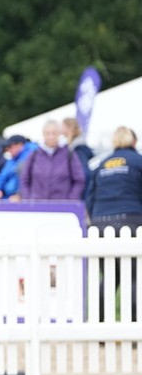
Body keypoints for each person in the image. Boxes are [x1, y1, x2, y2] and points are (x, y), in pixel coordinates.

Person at [84, 126, 142, 321]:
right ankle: (134, 326)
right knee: (134, 276)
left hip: (101, 223)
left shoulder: (102, 164)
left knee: (109, 276)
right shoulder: (138, 161)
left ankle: (100, 325)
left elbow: (90, 196)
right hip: (131, 219)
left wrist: (95, 219)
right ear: (134, 142)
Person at [18, 120, 84, 201]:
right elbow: (24, 179)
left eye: (54, 133)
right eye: (48, 133)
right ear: (43, 135)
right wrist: (28, 198)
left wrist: (70, 199)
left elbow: (79, 180)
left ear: (59, 134)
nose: (51, 136)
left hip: (62, 206)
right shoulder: (34, 155)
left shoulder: (69, 154)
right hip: (37, 205)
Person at [0, 134, 36, 201]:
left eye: (10, 146)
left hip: (25, 200)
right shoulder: (12, 160)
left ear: (20, 145)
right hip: (10, 198)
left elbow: (28, 181)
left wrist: (20, 195)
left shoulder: (33, 156)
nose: (7, 149)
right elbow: (1, 176)